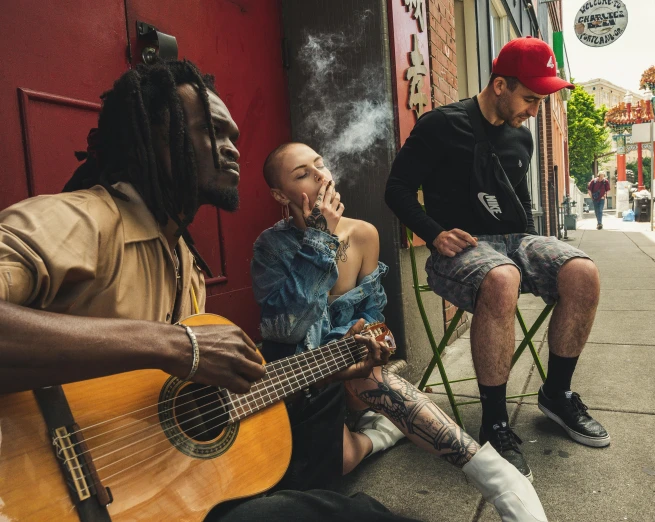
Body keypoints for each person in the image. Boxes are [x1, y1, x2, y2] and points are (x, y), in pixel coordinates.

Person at [0, 59, 416, 522]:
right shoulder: (78, 220)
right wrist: (179, 344)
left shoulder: (184, 261)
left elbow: (168, 406)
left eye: (233, 137)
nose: (232, 149)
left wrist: (326, 369)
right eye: (211, 132)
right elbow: (186, 349)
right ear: (155, 137)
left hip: (155, 495)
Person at [251, 142, 548, 522]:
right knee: (341, 462)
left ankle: (501, 480)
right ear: (279, 194)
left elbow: (374, 317)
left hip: (355, 375)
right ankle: (381, 435)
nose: (322, 176)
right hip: (303, 380)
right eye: (303, 174)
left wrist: (374, 343)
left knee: (363, 372)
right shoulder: (270, 247)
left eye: (320, 165)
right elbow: (286, 329)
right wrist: (318, 241)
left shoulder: (363, 235)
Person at [385, 36, 609, 481]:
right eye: (530, 98)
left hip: (514, 240)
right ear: (500, 85)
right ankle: (495, 421)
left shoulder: (521, 138)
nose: (534, 111)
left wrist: (541, 254)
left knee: (582, 270)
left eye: (541, 101)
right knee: (502, 277)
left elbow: (520, 206)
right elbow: (397, 190)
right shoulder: (440, 126)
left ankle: (557, 395)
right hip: (461, 248)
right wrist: (433, 233)